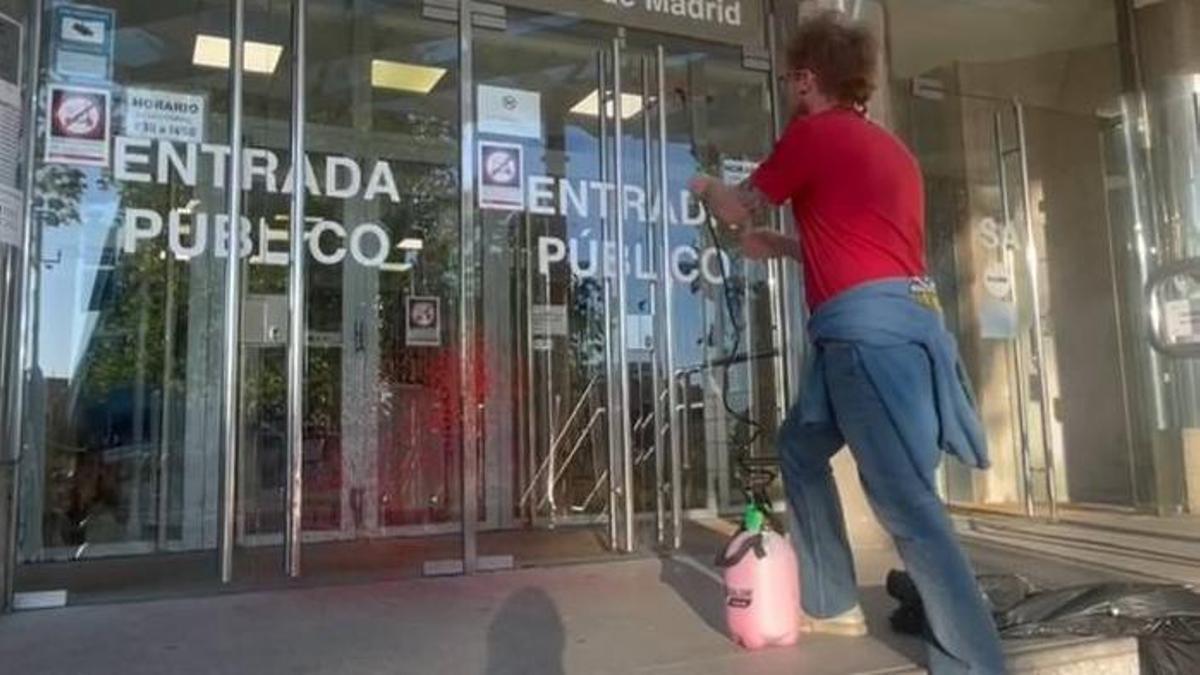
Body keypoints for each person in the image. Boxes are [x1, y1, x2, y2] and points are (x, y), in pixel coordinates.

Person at [689, 11, 1007, 675]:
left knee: (906, 503)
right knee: (800, 447)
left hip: (865, 341)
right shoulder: (891, 151)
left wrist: (705, 185)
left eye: (788, 79)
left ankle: (976, 662)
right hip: (884, 326)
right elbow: (866, 250)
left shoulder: (813, 135)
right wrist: (783, 246)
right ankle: (832, 601)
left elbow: (737, 205)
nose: (786, 89)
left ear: (807, 79)